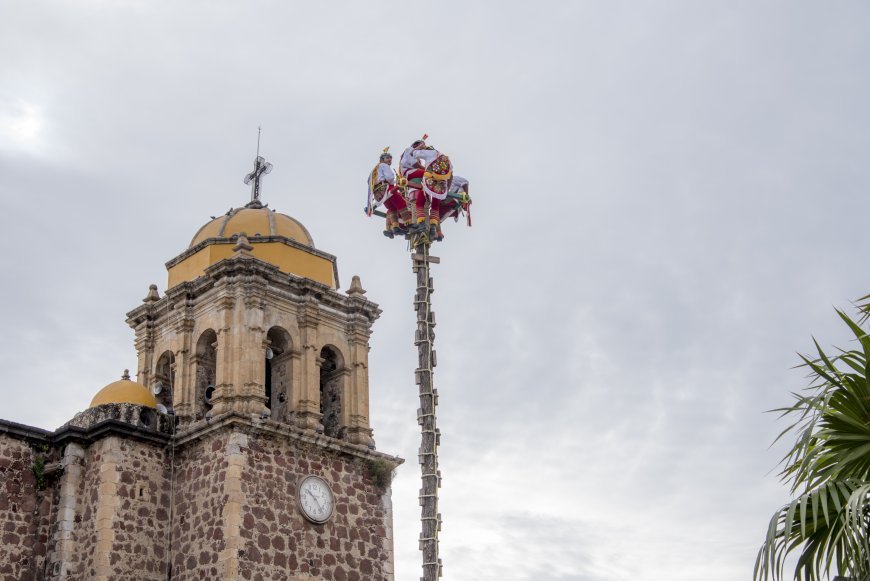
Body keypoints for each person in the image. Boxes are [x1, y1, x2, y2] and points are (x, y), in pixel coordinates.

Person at [399, 135, 453, 238]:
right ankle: (433, 227)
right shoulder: (445, 158)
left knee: (420, 202)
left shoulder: (426, 153)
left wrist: (420, 149)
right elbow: (451, 175)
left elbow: (413, 154)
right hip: (440, 185)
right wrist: (447, 189)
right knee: (435, 205)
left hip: (429, 181)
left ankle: (422, 225)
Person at [367, 148, 415, 238]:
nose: (389, 160)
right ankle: (409, 223)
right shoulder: (384, 165)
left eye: (390, 158)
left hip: (379, 195)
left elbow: (369, 182)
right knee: (401, 203)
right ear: (382, 160)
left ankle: (395, 227)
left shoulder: (374, 170)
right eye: (387, 158)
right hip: (387, 188)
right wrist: (393, 183)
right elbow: (389, 177)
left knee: (392, 209)